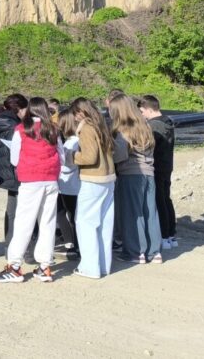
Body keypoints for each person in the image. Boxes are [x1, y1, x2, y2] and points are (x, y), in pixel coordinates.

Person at [0, 97, 62, 283]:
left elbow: (14, 159)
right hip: (51, 180)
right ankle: (45, 267)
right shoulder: (53, 129)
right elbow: (61, 155)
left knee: (24, 223)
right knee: (47, 223)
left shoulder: (22, 129)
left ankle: (14, 266)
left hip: (31, 181)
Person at [70, 97, 118, 278]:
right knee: (104, 225)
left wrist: (71, 155)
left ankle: (90, 267)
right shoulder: (101, 125)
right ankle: (103, 266)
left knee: (85, 223)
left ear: (81, 112)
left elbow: (89, 157)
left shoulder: (87, 128)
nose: (75, 118)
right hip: (108, 179)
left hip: (92, 180)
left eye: (75, 114)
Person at [112, 95, 163, 264]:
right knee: (150, 213)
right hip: (149, 174)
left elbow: (120, 155)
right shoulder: (145, 126)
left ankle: (135, 252)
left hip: (130, 174)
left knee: (132, 215)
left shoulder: (124, 129)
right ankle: (154, 251)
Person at [0, 94, 29, 245]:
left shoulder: (4, 120)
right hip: (15, 169)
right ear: (19, 109)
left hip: (7, 169)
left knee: (12, 210)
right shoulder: (13, 125)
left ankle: (9, 244)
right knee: (18, 211)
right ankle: (20, 246)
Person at [139, 95, 177, 249]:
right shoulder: (168, 122)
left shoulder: (153, 126)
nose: (141, 115)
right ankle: (171, 234)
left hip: (157, 167)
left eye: (142, 112)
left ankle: (163, 236)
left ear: (149, 109)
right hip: (167, 166)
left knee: (159, 201)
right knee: (166, 199)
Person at [55, 109, 81, 259]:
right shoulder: (73, 140)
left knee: (72, 217)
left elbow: (68, 165)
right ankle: (71, 242)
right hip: (69, 186)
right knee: (67, 215)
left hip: (70, 186)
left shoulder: (73, 142)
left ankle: (75, 245)